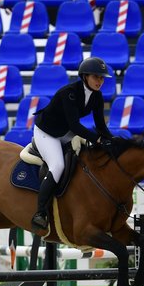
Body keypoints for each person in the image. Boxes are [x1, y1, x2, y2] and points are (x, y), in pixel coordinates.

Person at [30, 57, 115, 232]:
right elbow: (74, 126)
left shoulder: (97, 97)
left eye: (102, 78)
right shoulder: (69, 93)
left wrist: (114, 143)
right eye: (96, 77)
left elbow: (101, 126)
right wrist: (98, 140)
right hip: (47, 133)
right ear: (84, 76)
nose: (100, 81)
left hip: (66, 133)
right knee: (58, 166)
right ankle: (40, 213)